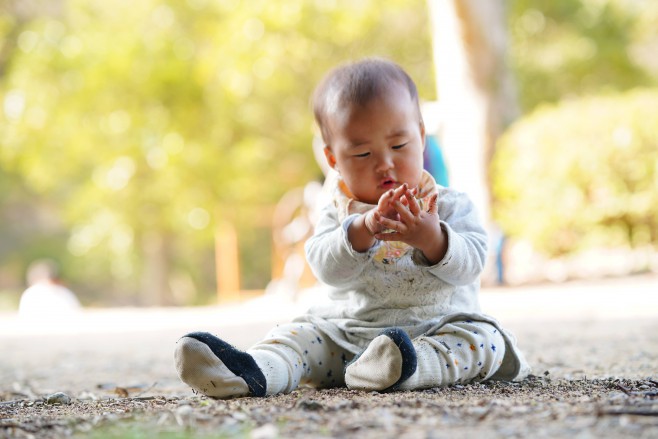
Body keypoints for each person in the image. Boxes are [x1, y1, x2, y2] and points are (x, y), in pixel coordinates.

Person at [174, 58, 529, 398]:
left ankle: (408, 367)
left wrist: (432, 239)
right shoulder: (336, 212)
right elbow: (326, 269)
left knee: (485, 341)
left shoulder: (450, 205)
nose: (385, 165)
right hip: (344, 337)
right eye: (362, 154)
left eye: (399, 145)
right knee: (298, 336)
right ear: (333, 160)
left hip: (436, 329)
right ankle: (253, 371)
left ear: (420, 136)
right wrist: (362, 230)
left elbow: (473, 264)